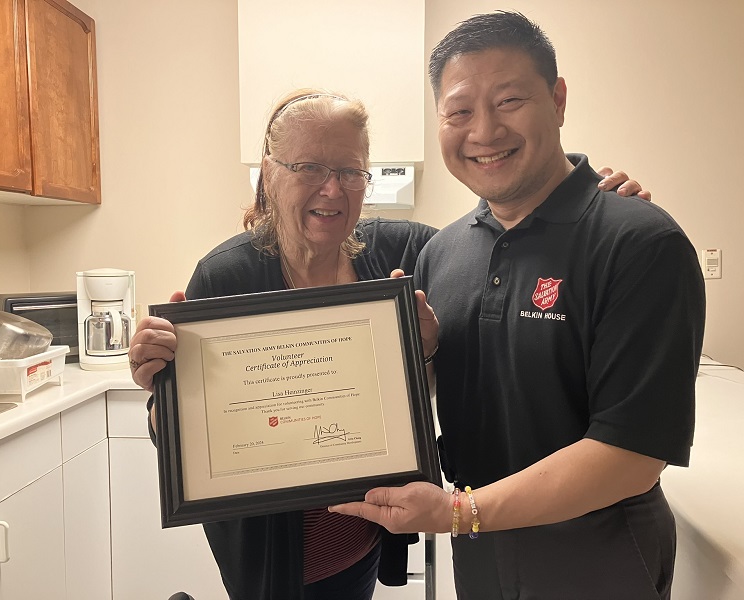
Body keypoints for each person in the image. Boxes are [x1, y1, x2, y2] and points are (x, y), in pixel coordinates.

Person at [129, 88, 647, 599]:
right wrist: (166, 389)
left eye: (350, 171)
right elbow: (177, 438)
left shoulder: (403, 250)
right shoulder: (225, 276)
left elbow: (499, 246)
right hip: (274, 561)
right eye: (310, 167)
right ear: (270, 172)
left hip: (363, 542)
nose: (333, 189)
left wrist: (590, 213)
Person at [330, 11, 705, 600]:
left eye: (509, 101)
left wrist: (460, 512)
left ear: (557, 99)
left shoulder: (638, 243)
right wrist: (418, 357)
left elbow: (634, 451)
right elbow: (462, 392)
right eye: (459, 112)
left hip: (599, 548)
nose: (483, 131)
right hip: (481, 548)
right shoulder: (442, 252)